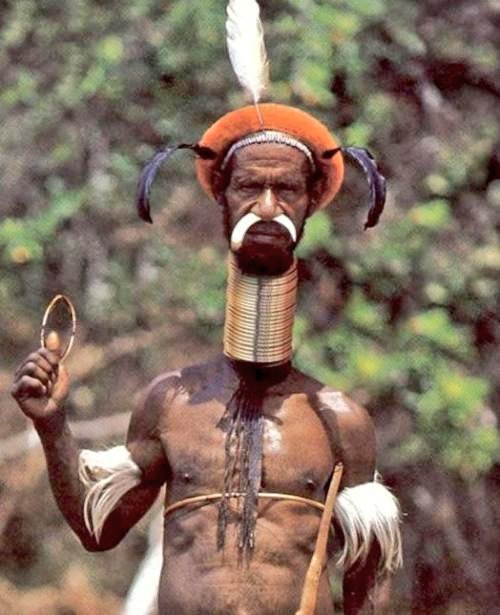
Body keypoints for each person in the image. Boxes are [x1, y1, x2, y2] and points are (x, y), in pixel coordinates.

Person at [11, 102, 401, 615]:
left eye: (286, 189)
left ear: (309, 203)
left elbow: (366, 589)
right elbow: (96, 531)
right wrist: (51, 425)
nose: (267, 206)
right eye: (249, 187)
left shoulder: (341, 421)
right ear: (223, 198)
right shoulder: (171, 404)